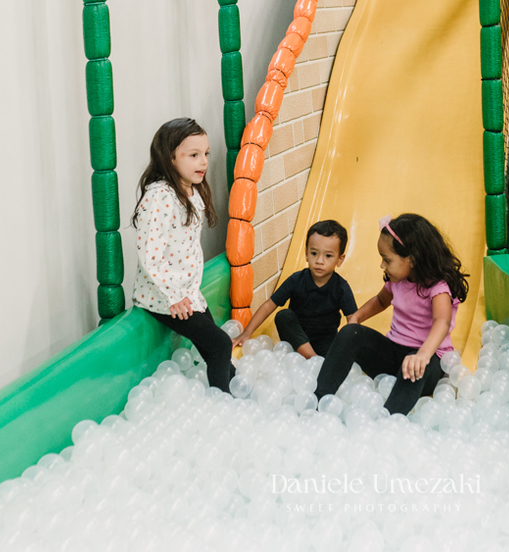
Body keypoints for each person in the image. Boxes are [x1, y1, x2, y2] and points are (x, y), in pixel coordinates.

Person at [314, 213, 469, 415]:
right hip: (394, 357)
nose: (382, 265)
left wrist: (422, 355)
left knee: (414, 368)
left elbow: (442, 321)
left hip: (428, 362)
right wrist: (357, 318)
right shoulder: (397, 280)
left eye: (387, 260)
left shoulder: (437, 286)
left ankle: (388, 419)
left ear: (411, 259)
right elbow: (380, 301)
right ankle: (318, 401)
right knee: (350, 333)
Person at [131, 118, 234, 391]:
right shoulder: (160, 197)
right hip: (165, 297)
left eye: (206, 154)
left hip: (187, 293)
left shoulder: (189, 192)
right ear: (170, 157)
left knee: (219, 354)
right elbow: (149, 254)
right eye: (193, 155)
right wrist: (174, 294)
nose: (203, 162)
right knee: (221, 345)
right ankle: (222, 405)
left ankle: (235, 396)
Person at [232, 220, 358, 359]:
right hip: (296, 340)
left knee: (342, 342)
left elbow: (353, 319)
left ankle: (315, 359)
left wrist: (349, 349)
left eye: (328, 256)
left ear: (340, 259)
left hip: (325, 342)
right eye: (314, 253)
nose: (319, 261)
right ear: (306, 254)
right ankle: (312, 358)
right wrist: (247, 332)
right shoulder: (296, 280)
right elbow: (269, 305)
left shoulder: (341, 287)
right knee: (283, 315)